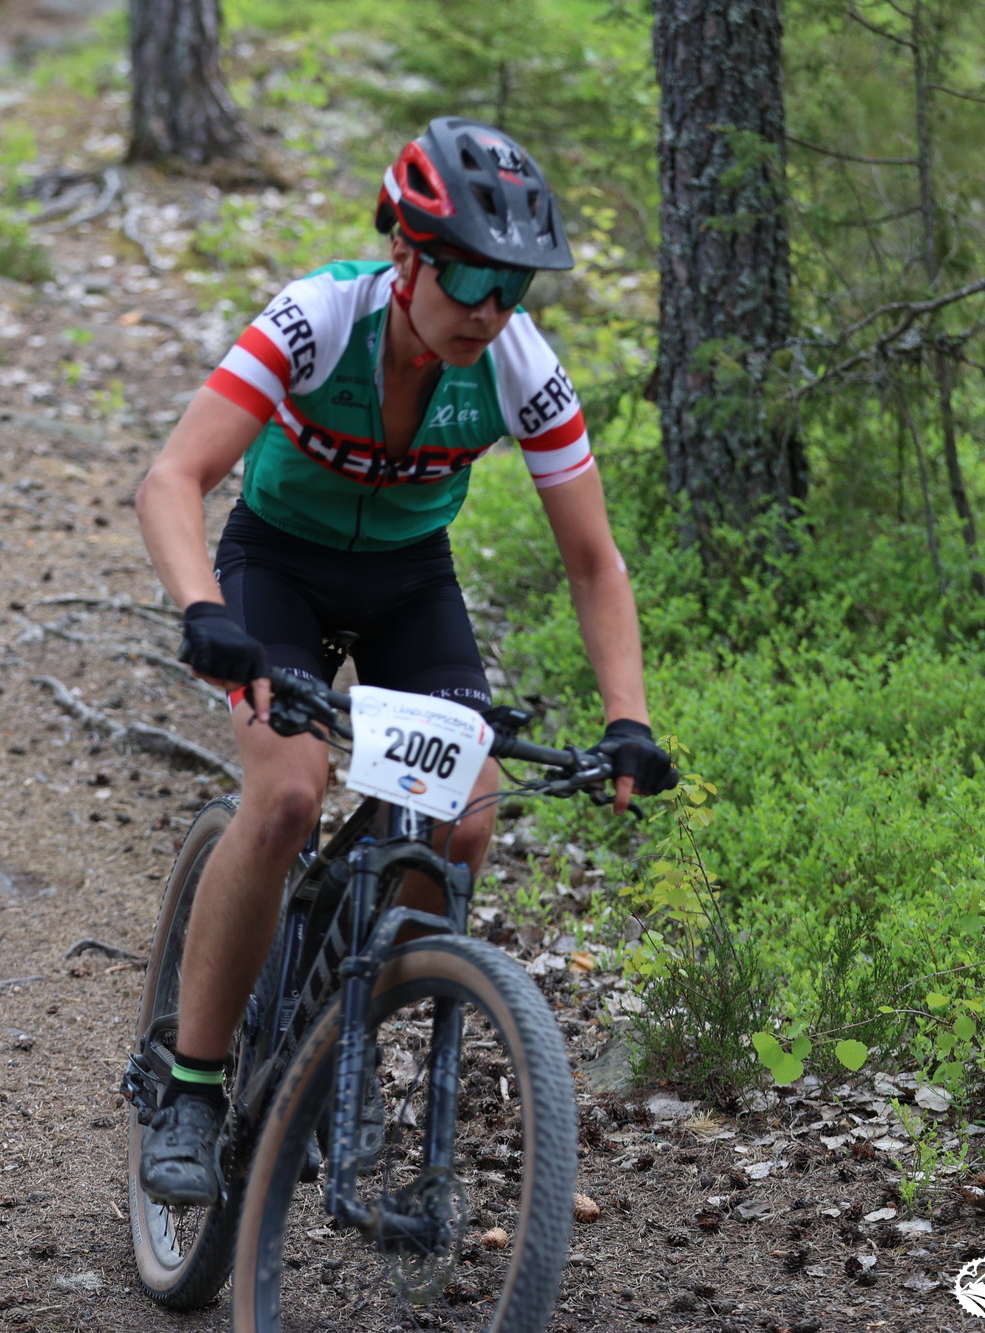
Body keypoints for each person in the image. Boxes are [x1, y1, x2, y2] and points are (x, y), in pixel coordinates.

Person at [131, 117, 677, 1206]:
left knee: (461, 819)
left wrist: (629, 718)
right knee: (288, 795)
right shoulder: (317, 317)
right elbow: (172, 479)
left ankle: (343, 1028)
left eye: (511, 287)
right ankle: (189, 1082)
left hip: (406, 582)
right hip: (275, 566)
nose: (487, 309)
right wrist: (203, 610)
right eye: (468, 276)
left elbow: (593, 559)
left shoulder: (518, 364)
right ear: (406, 255)